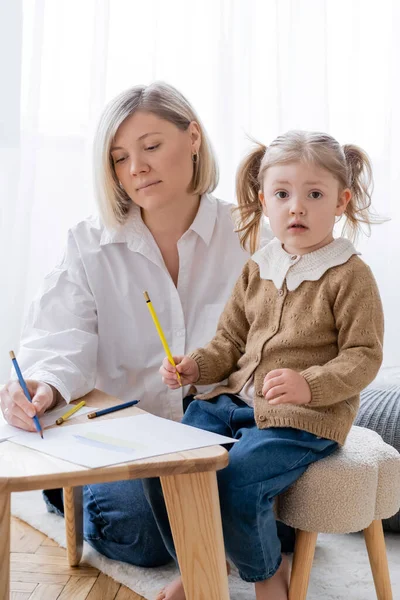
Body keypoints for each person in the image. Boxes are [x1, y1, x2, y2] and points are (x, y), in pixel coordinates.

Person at [0, 82, 277, 566]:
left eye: (151, 146)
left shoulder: (251, 235)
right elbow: (60, 335)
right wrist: (43, 384)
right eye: (118, 158)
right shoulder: (89, 243)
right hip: (126, 437)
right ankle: (62, 492)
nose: (136, 168)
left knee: (276, 510)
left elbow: (282, 337)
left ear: (193, 137)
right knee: (143, 534)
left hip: (219, 435)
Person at [146, 130, 385, 600]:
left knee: (238, 478)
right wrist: (195, 366)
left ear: (342, 201)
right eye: (282, 194)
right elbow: (232, 339)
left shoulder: (350, 274)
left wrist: (309, 385)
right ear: (264, 201)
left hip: (304, 419)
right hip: (232, 403)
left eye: (314, 194)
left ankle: (265, 574)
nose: (297, 207)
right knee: (169, 462)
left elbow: (364, 356)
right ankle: (201, 561)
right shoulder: (259, 265)